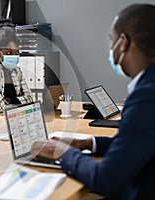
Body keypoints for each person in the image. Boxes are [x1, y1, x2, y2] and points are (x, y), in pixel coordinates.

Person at [31, 4, 155, 200]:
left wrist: (63, 152)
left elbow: (103, 179)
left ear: (123, 43)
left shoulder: (146, 96)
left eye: (111, 40)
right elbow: (133, 144)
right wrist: (87, 142)